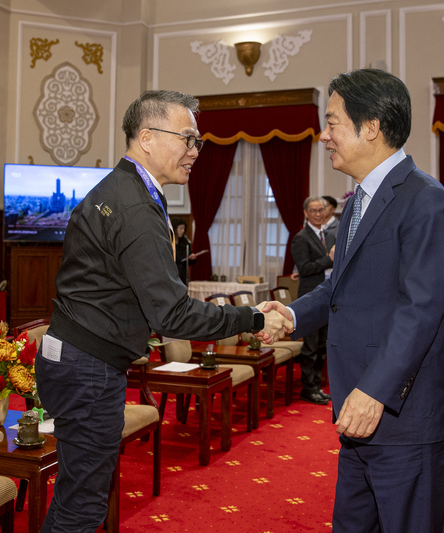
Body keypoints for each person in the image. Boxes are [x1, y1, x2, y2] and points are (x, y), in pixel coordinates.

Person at [35, 90, 292, 532]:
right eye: (187, 139)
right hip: (89, 368)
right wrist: (252, 318)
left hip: (76, 358)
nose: (195, 151)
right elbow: (172, 315)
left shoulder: (120, 188)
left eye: (197, 142)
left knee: (76, 496)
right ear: (147, 137)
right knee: (83, 506)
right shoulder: (136, 205)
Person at [263, 69, 444, 532]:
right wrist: (291, 313)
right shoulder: (358, 202)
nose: (324, 135)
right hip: (357, 414)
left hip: (404, 417)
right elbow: (340, 289)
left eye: (332, 122)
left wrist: (375, 390)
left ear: (370, 127)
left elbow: (421, 310)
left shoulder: (424, 199)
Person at [291, 196, 335, 405]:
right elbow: (305, 268)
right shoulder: (301, 238)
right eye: (313, 211)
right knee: (310, 346)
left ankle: (316, 385)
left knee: (321, 344)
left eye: (321, 210)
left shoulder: (327, 234)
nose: (318, 214)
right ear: (306, 213)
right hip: (310, 297)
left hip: (327, 296)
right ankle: (308, 388)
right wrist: (329, 259)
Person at [172, 217, 197, 284]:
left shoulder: (185, 241)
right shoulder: (168, 241)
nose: (183, 231)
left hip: (183, 274)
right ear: (174, 228)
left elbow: (188, 258)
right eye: (181, 228)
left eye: (184, 228)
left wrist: (192, 258)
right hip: (172, 273)